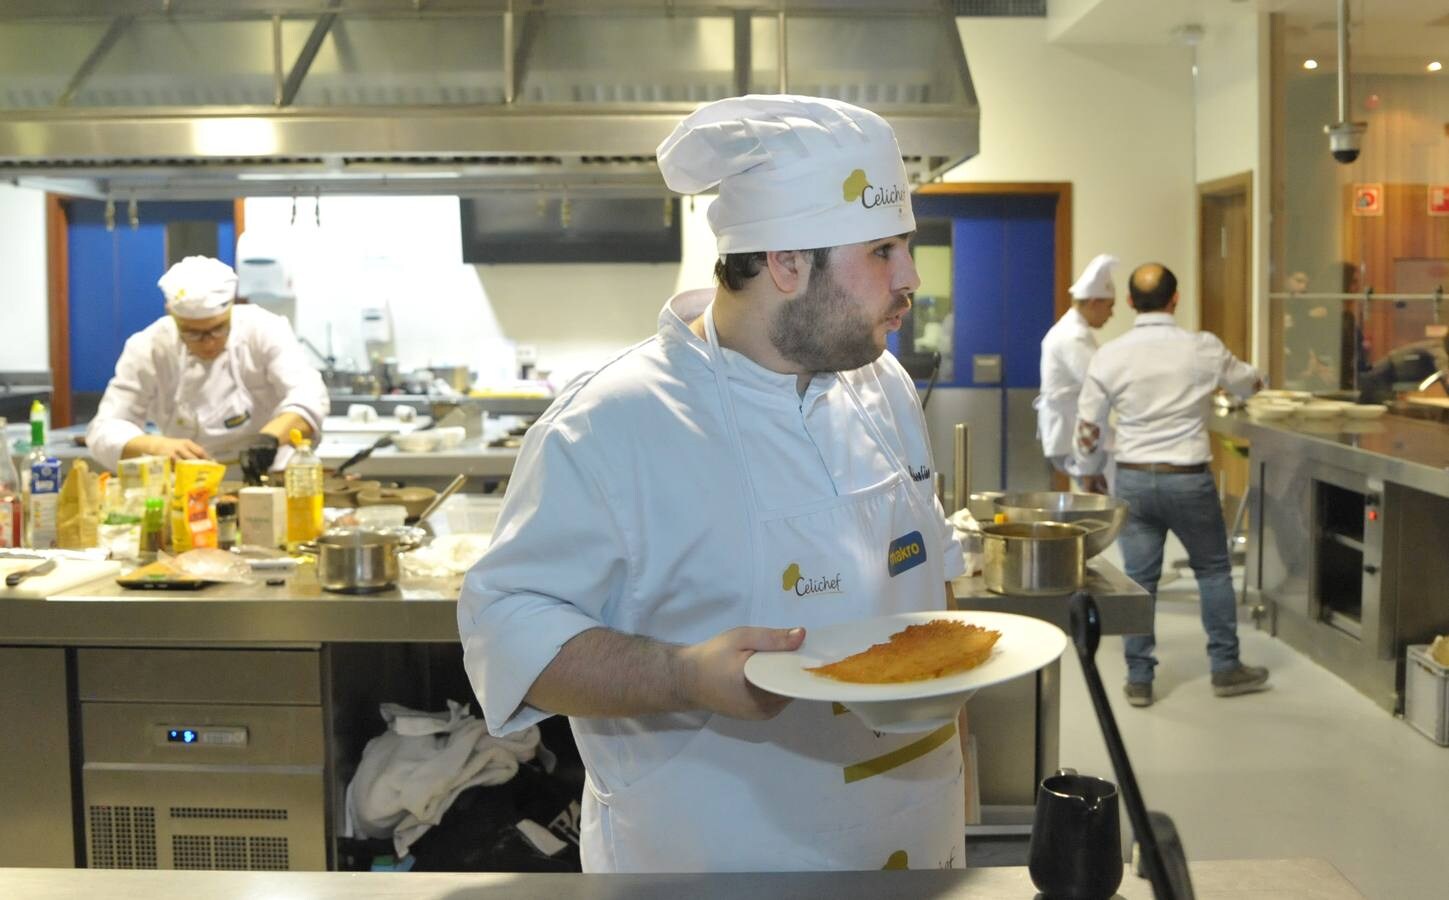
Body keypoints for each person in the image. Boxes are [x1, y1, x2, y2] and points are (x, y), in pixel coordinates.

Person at [457, 95, 967, 873]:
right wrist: (682, 674)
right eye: (883, 251)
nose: (911, 278)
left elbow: (930, 584)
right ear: (786, 263)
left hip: (916, 836)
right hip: (718, 858)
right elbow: (509, 632)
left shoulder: (880, 384)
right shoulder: (613, 423)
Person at [1074, 263, 1269, 708]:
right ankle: (1226, 668)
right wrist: (1259, 384)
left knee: (1140, 582)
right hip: (1188, 480)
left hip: (1134, 480)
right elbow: (1249, 382)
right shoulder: (1202, 348)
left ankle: (1139, 679)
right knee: (1214, 571)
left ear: (1128, 303)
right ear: (1175, 299)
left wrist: (1088, 470)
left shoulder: (1111, 355)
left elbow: (1088, 427)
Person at [86, 255, 328, 479]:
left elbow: (309, 396)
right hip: (190, 484)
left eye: (219, 328)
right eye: (193, 333)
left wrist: (270, 439)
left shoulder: (264, 329)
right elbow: (104, 429)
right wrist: (156, 446)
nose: (209, 342)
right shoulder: (149, 347)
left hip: (274, 475)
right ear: (171, 315)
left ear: (231, 309)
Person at [1034, 253, 1118, 493]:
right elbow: (1102, 382)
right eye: (1109, 306)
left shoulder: (1074, 331)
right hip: (1070, 436)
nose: (1111, 314)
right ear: (1093, 302)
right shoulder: (1073, 336)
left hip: (1071, 433)